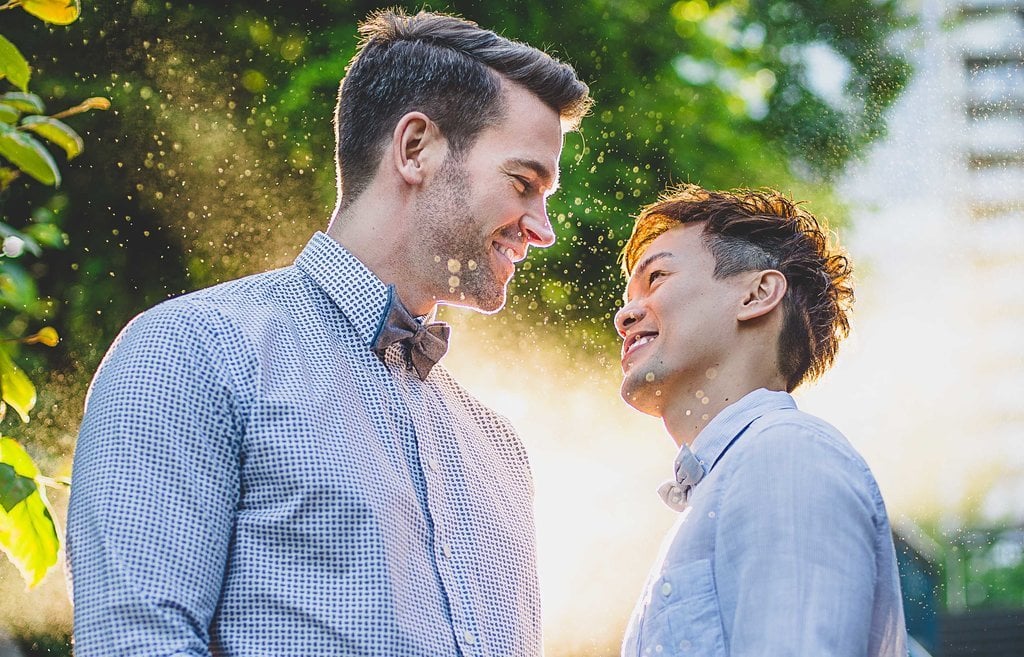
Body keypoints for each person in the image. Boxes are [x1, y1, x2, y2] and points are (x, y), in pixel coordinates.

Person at [67, 10, 591, 656]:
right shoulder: (195, 352)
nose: (543, 228)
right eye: (524, 183)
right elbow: (135, 641)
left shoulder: (500, 448)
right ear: (416, 148)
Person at [614, 185, 907, 656]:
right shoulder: (728, 483)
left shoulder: (786, 457)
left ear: (757, 294)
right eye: (629, 295)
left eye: (658, 277)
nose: (624, 315)